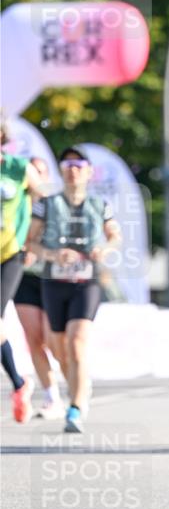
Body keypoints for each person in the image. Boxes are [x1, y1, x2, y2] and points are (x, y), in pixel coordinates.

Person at [27, 145, 121, 433]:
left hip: (86, 282)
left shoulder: (100, 205)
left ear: (89, 172)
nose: (73, 171)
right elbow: (30, 241)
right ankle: (79, 386)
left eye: (79, 165)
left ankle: (75, 408)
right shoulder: (47, 204)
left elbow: (114, 235)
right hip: (54, 282)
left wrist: (104, 249)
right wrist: (53, 255)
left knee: (77, 343)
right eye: (67, 166)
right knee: (59, 349)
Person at [14, 157, 64, 419]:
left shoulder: (55, 205)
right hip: (23, 277)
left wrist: (39, 251)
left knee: (53, 341)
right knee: (34, 339)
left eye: (41, 171)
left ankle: (76, 379)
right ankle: (52, 397)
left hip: (51, 277)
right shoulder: (14, 202)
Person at [1, 129, 44, 422]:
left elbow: (45, 204)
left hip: (11, 253)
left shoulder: (19, 168)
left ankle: (19, 383)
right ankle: (19, 384)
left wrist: (34, 241)